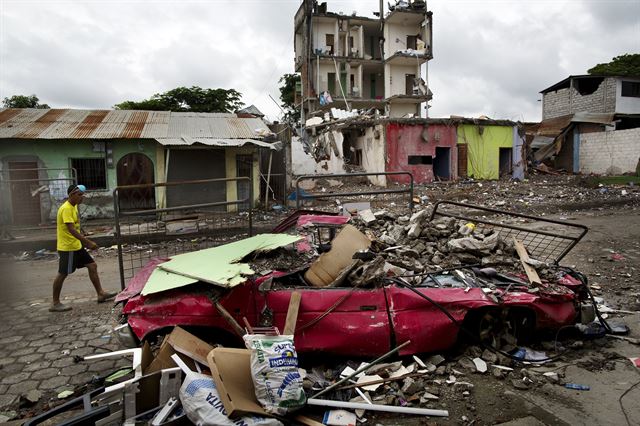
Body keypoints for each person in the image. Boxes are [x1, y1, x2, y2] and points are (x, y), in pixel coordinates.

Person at [50, 184, 116, 312]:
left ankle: (101, 294)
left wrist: (83, 238)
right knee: (63, 273)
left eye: (83, 195)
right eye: (79, 195)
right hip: (68, 248)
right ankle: (55, 303)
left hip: (76, 246)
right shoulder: (66, 209)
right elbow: (71, 229)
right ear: (71, 195)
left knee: (92, 266)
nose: (82, 198)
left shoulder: (74, 207)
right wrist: (88, 242)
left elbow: (75, 227)